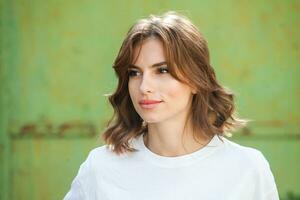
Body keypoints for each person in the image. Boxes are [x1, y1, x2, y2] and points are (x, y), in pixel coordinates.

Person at [64, 11, 279, 200]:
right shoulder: (100, 168)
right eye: (134, 73)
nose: (144, 86)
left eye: (162, 70)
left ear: (196, 80)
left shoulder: (248, 169)